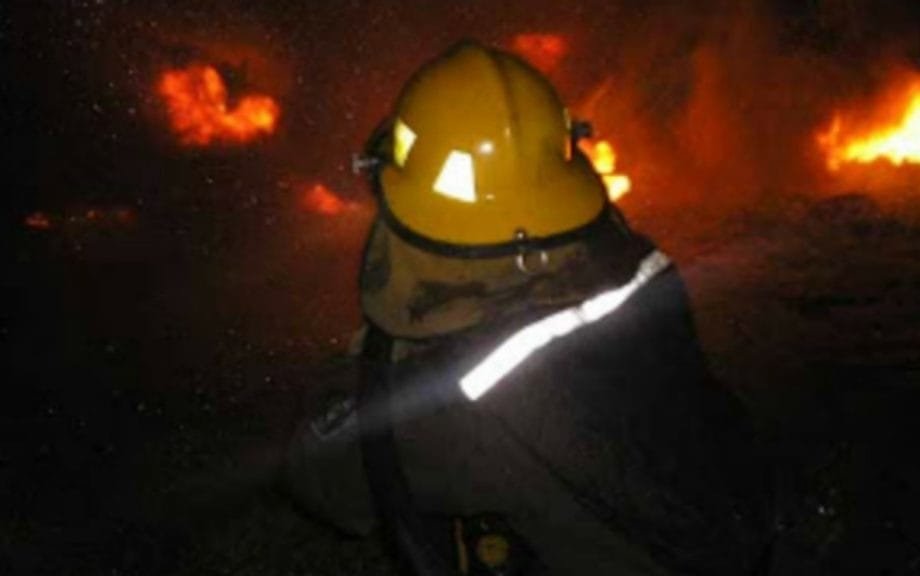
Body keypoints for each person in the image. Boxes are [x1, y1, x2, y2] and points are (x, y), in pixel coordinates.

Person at [284, 41, 772, 575]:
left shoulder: (452, 403)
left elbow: (320, 477)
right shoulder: (642, 268)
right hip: (724, 523)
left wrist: (359, 377)